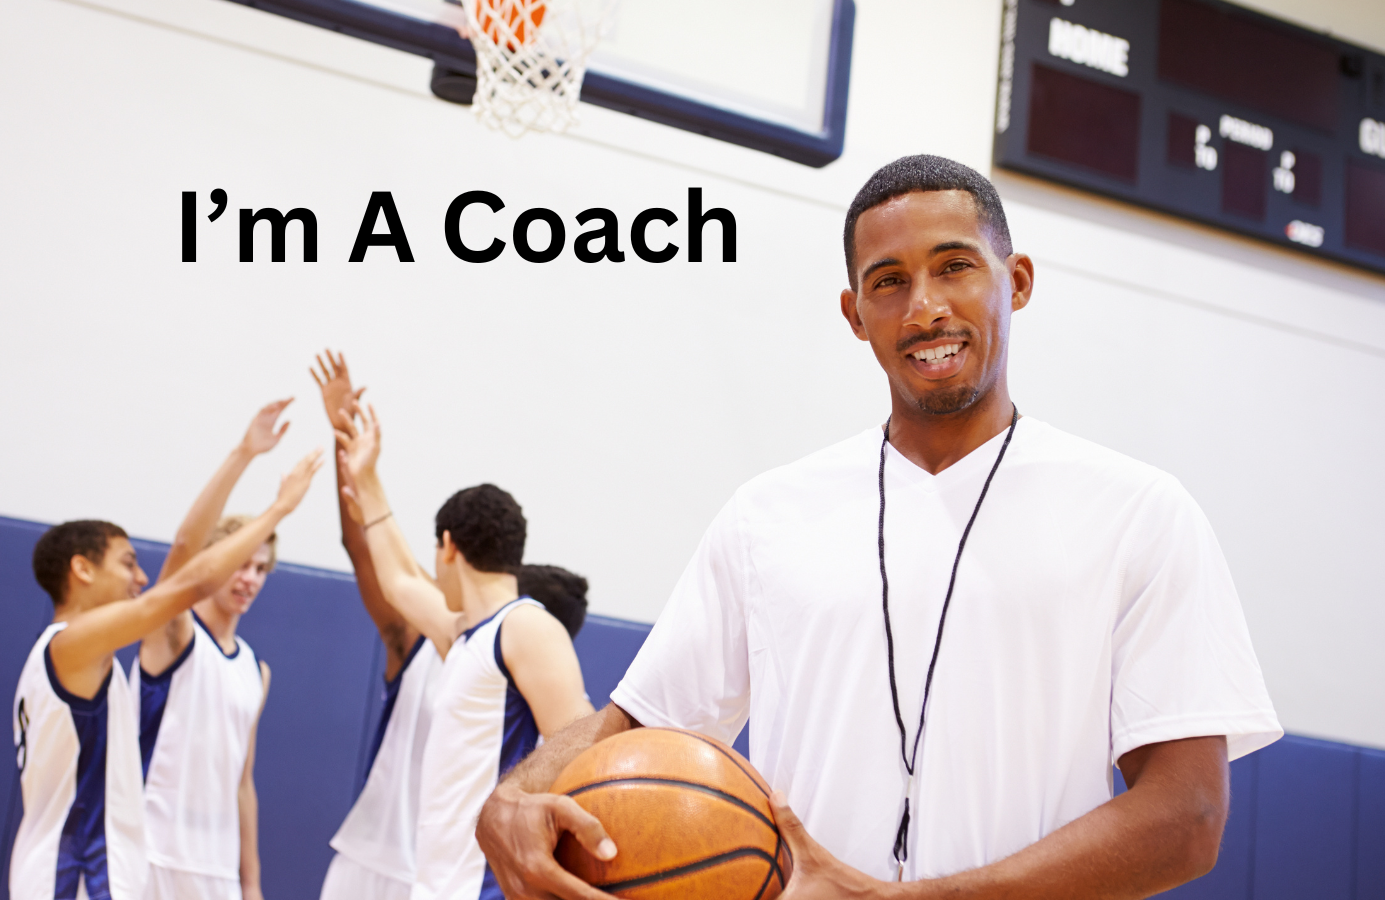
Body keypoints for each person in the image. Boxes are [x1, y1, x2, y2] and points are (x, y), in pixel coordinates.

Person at [474, 154, 1283, 900]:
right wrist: (515, 796)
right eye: (888, 281)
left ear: (1019, 280)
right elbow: (637, 723)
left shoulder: (1138, 511)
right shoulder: (768, 514)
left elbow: (1188, 818)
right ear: (855, 313)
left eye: (955, 266)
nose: (925, 307)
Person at [10, 444, 323, 900]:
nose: (140, 578)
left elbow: (243, 782)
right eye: (128, 564)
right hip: (80, 867)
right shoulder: (71, 645)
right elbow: (186, 578)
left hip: (101, 863)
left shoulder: (78, 657)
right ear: (82, 569)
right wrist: (279, 507)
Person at [335, 403, 596, 900]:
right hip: (441, 884)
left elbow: (584, 749)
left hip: (488, 888)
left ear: (448, 546)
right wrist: (366, 480)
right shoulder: (467, 634)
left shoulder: (525, 627)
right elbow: (398, 579)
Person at [132, 400, 298, 900]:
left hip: (215, 871)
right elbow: (184, 548)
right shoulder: (174, 634)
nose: (249, 578)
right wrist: (244, 454)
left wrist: (251, 883)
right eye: (241, 563)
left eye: (261, 569)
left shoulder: (256, 669)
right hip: (149, 853)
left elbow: (241, 781)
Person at [312, 351, 444, 900]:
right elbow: (361, 547)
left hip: (445, 874)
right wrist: (346, 441)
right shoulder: (419, 637)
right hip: (373, 861)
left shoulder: (532, 682)